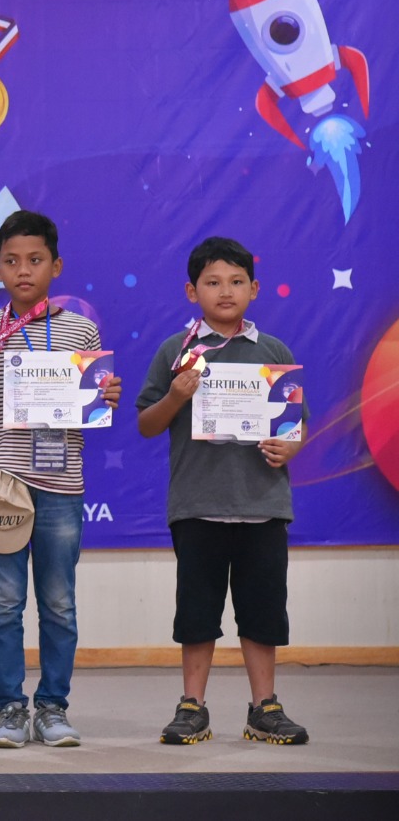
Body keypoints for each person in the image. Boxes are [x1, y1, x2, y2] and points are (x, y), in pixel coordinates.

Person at [0, 210, 122, 748]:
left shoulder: (79, 330)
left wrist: (103, 397)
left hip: (59, 484)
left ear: (56, 266)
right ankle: (9, 709)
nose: (23, 270)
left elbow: (90, 407)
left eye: (35, 260)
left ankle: (52, 707)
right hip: (1, 481)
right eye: (11, 261)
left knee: (59, 604)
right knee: (3, 604)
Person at [135, 236, 309, 746]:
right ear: (193, 291)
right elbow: (147, 423)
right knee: (197, 613)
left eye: (236, 281)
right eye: (212, 282)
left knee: (262, 612)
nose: (225, 291)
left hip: (263, 506)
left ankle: (264, 707)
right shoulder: (176, 351)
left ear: (255, 289)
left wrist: (289, 447)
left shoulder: (273, 351)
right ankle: (192, 706)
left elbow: (296, 424)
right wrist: (175, 395)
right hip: (198, 506)